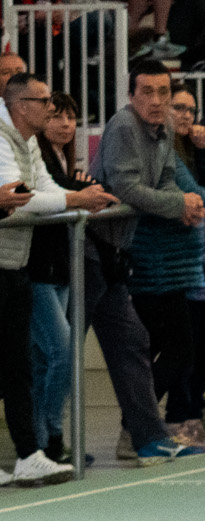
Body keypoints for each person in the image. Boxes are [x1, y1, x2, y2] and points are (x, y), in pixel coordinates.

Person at [0, 75, 109, 483]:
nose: (51, 108)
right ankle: (38, 444)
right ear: (20, 105)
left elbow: (42, 187)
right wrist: (77, 198)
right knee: (25, 361)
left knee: (18, 366)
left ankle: (30, 454)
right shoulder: (2, 138)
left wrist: (76, 199)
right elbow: (20, 198)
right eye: (44, 100)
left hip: (16, 263)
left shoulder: (27, 141)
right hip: (8, 263)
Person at [90, 61, 196, 463]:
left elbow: (165, 179)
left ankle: (147, 438)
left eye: (163, 92)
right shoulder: (122, 126)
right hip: (88, 250)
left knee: (134, 342)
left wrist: (180, 202)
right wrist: (178, 205)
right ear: (131, 95)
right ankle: (46, 445)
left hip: (116, 255)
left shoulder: (164, 127)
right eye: (147, 92)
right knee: (59, 352)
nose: (156, 100)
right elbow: (126, 187)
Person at [24, 92, 107, 463]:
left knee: (47, 359)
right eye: (55, 116)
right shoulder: (37, 158)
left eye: (70, 117)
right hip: (37, 271)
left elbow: (65, 190)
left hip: (61, 268)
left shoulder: (64, 161)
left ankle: (44, 442)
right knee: (63, 350)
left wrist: (80, 189)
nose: (64, 124)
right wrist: (79, 191)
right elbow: (45, 193)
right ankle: (51, 436)